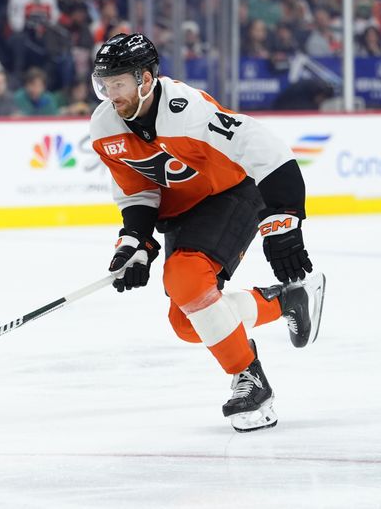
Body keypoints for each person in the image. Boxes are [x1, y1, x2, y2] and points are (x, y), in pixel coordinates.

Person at [89, 33, 326, 433]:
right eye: (105, 85)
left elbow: (262, 145)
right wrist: (136, 242)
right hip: (184, 209)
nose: (112, 95)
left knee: (186, 279)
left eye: (119, 84)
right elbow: (138, 191)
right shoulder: (104, 126)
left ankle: (250, 380)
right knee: (188, 322)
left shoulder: (185, 112)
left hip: (231, 191)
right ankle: (288, 300)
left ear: (145, 79)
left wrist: (284, 217)